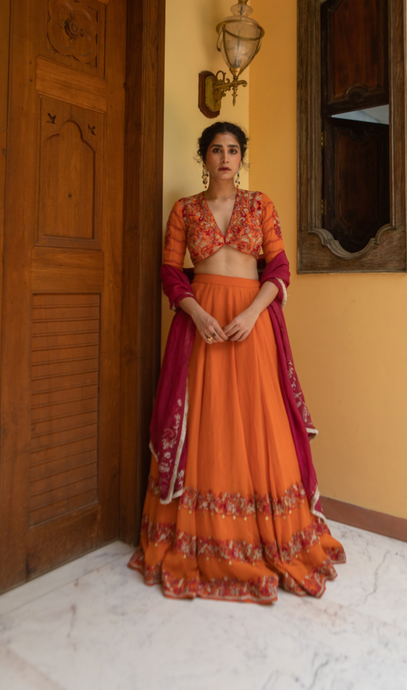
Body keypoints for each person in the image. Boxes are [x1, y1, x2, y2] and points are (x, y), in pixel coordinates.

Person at [128, 122, 345, 603]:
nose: (224, 158)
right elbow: (170, 272)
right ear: (202, 157)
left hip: (251, 324)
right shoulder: (184, 210)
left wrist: (252, 313)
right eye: (215, 150)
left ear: (241, 157)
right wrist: (197, 312)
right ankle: (198, 538)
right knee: (207, 424)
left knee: (260, 422)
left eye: (232, 150)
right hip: (200, 322)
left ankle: (271, 535)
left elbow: (279, 268)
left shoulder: (260, 204)